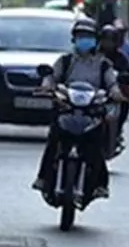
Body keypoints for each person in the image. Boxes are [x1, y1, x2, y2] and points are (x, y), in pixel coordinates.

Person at [33, 18, 122, 199]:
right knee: (54, 141)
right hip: (66, 108)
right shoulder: (65, 61)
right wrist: (47, 86)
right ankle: (43, 178)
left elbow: (112, 83)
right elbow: (52, 77)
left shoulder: (104, 65)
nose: (84, 40)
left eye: (88, 36)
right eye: (80, 36)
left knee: (96, 145)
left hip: (92, 111)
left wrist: (115, 92)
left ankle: (100, 184)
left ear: (96, 40)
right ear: (74, 39)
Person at [98, 25, 129, 132]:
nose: (107, 43)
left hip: (114, 93)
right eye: (105, 40)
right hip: (95, 91)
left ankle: (117, 130)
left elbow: (128, 72)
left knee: (124, 104)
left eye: (110, 40)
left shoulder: (122, 58)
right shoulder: (93, 55)